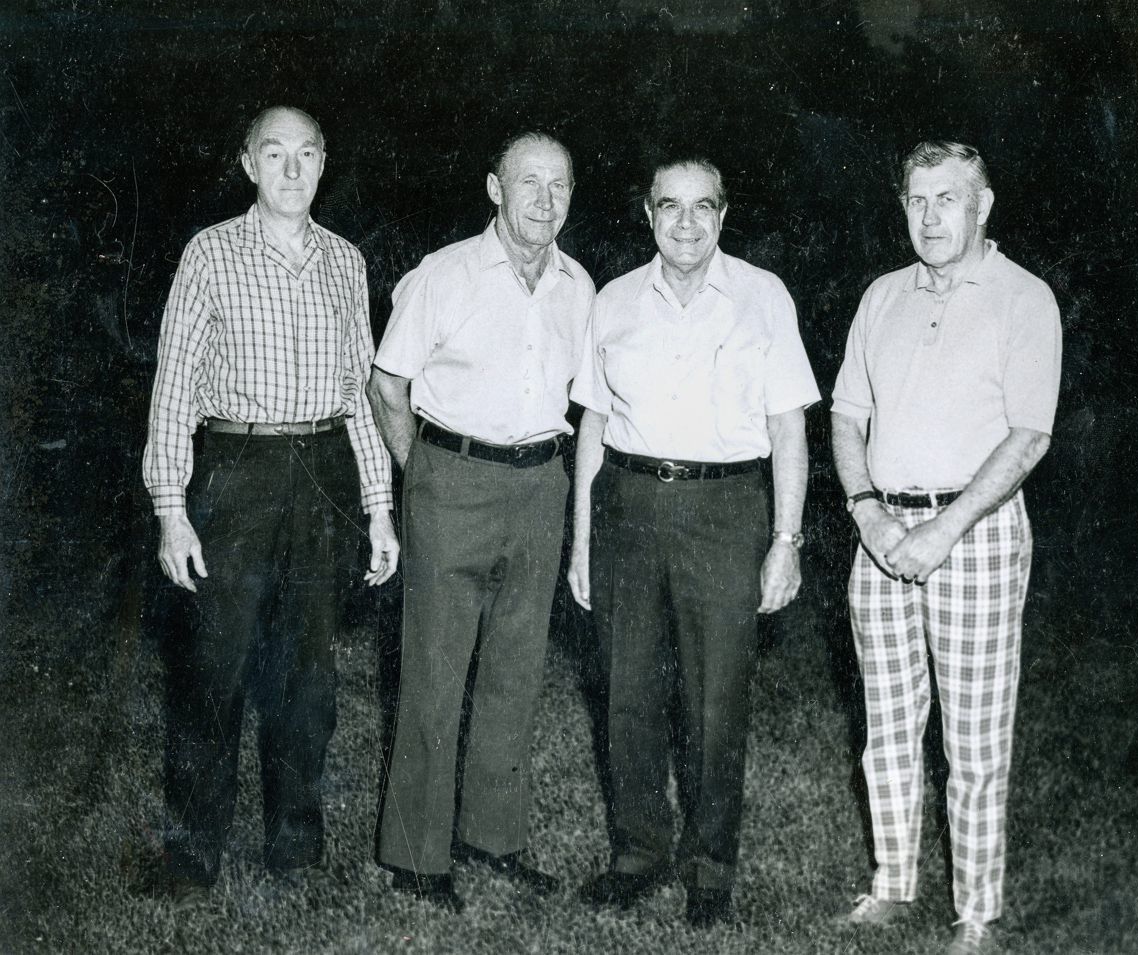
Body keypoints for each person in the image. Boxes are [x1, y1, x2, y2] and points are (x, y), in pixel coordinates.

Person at [142, 106, 399, 901]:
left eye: (307, 154)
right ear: (248, 163)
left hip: (320, 470)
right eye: (275, 153)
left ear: (323, 163)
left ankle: (295, 841)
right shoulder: (211, 252)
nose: (292, 169)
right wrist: (172, 508)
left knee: (307, 674)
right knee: (212, 665)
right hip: (236, 468)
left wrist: (379, 506)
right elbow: (174, 387)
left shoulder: (346, 261)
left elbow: (360, 392)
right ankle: (192, 851)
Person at [567, 158, 821, 927]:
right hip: (628, 503)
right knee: (627, 688)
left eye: (702, 206)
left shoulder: (764, 297)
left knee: (717, 695)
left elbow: (789, 428)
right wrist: (582, 540)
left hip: (726, 507)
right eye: (670, 206)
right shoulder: (613, 300)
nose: (686, 223)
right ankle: (638, 852)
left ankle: (711, 864)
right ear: (647, 214)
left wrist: (786, 539)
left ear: (723, 214)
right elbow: (593, 424)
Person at [830, 141, 1062, 955]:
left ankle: (976, 912)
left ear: (982, 205)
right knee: (888, 725)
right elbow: (847, 415)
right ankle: (893, 883)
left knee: (974, 735)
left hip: (976, 534)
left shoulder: (1023, 298)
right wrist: (867, 513)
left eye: (948, 199)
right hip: (883, 534)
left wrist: (944, 526)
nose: (930, 217)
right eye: (917, 200)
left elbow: (1029, 435)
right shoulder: (881, 296)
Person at [368, 132, 594, 912]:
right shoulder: (444, 274)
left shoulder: (579, 287)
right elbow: (387, 384)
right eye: (527, 181)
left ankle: (492, 837)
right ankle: (416, 853)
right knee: (434, 670)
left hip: (541, 485)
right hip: (452, 479)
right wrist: (425, 475)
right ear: (495, 188)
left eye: (558, 185)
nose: (543, 199)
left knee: (516, 668)